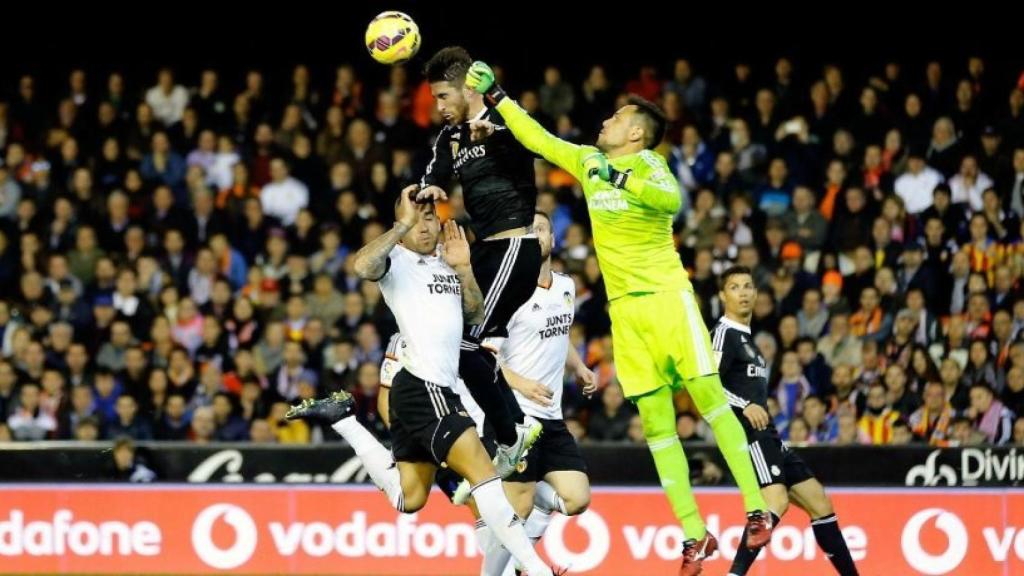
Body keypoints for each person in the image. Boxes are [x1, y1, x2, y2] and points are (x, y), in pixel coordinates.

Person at [464, 60, 773, 574]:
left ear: (635, 133)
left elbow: (671, 201)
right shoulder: (588, 161)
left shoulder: (651, 163)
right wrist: (496, 94)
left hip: (667, 298)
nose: (605, 122)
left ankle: (756, 509)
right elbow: (539, 139)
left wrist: (620, 176)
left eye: (616, 118)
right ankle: (694, 535)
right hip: (625, 313)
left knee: (710, 403)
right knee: (657, 427)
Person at [286, 192, 556, 576]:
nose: (427, 226)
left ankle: (343, 419)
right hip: (424, 386)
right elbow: (361, 265)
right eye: (419, 218)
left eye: (431, 218)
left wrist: (463, 270)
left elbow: (474, 317)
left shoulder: (446, 260)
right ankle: (537, 569)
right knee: (485, 475)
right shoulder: (396, 260)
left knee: (408, 498)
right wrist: (402, 225)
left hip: (425, 391)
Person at [407, 47, 544, 473]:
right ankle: (514, 428)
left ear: (468, 89)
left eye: (444, 96)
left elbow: (538, 143)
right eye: (435, 98)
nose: (439, 106)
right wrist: (429, 188)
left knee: (466, 345)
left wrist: (499, 134)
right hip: (485, 251)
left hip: (514, 246)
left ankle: (511, 434)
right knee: (465, 344)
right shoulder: (451, 137)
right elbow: (433, 172)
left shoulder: (505, 118)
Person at [714, 265, 860, 575]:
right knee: (776, 502)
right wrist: (743, 405)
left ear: (756, 293)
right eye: (734, 287)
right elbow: (706, 386)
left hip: (769, 434)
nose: (743, 293)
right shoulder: (724, 333)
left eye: (748, 286)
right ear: (722, 296)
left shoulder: (749, 340)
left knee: (819, 502)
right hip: (749, 434)